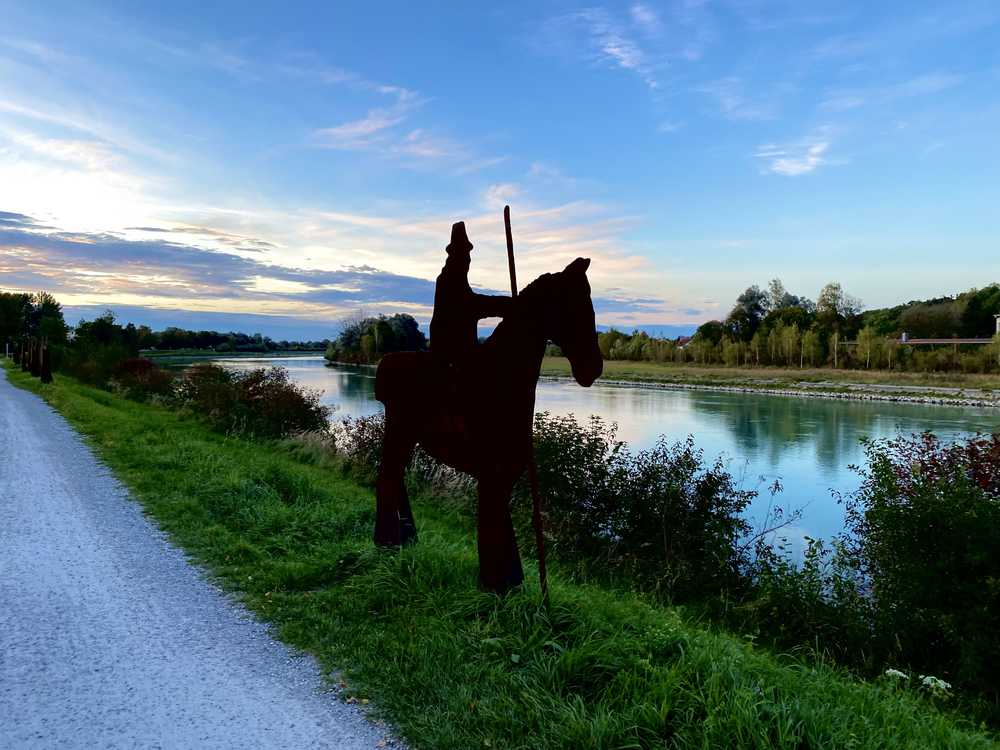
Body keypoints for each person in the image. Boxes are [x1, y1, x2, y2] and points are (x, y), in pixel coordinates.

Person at [429, 221, 511, 374]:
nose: (468, 260)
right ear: (457, 256)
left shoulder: (455, 279)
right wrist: (507, 305)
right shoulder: (448, 280)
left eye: (468, 256)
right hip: (451, 352)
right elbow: (472, 305)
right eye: (466, 255)